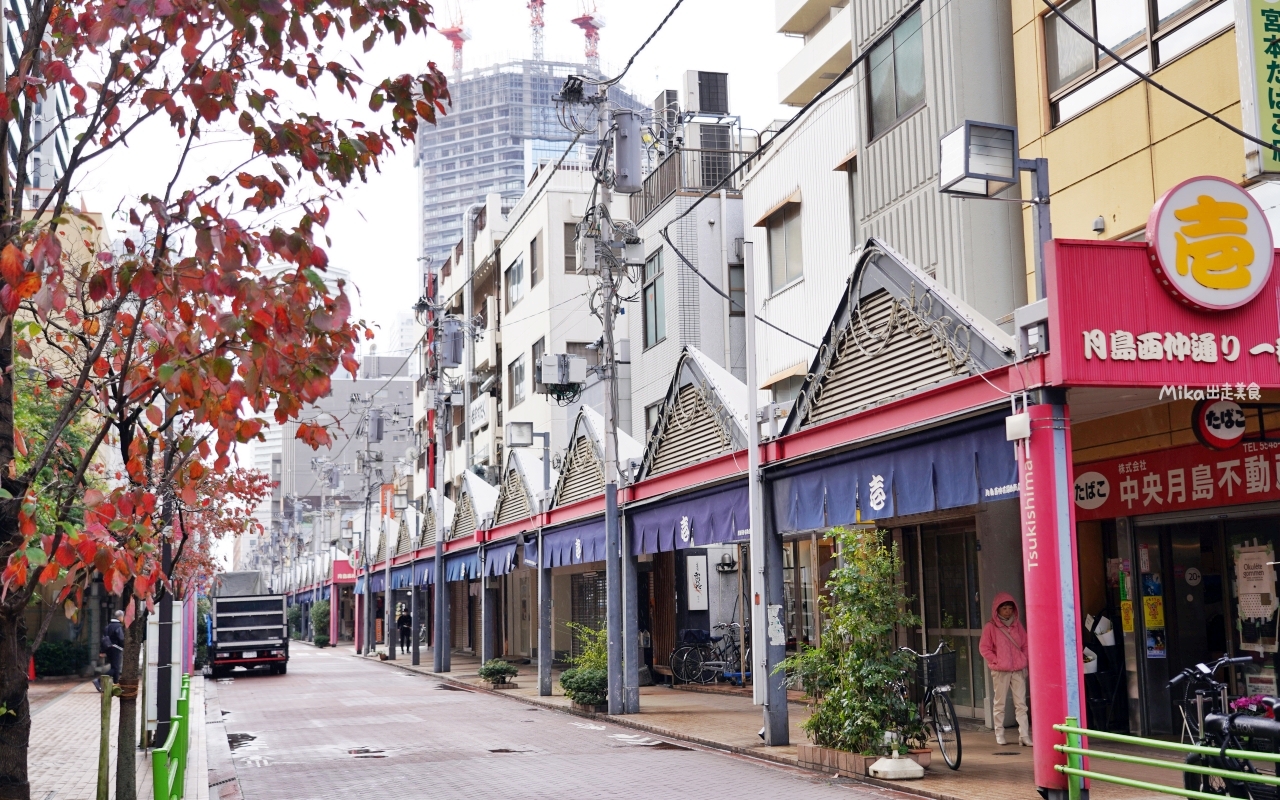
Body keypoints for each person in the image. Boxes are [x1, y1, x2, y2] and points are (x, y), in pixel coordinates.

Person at [979, 592, 1031, 747]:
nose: (1007, 611)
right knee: (1000, 703)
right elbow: (984, 648)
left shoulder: (1017, 625)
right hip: (1001, 670)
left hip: (1018, 669)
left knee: (1021, 704)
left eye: (1010, 608)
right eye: (1004, 609)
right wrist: (997, 661)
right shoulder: (991, 627)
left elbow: (1026, 644)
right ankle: (999, 733)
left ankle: (1024, 735)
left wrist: (1024, 659)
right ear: (997, 610)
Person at [94, 610, 126, 693]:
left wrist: (102, 651)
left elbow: (104, 639)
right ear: (120, 617)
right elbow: (121, 638)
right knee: (115, 668)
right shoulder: (118, 626)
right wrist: (125, 645)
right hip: (116, 648)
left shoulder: (108, 626)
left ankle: (116, 685)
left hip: (109, 649)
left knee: (115, 667)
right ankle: (99, 680)